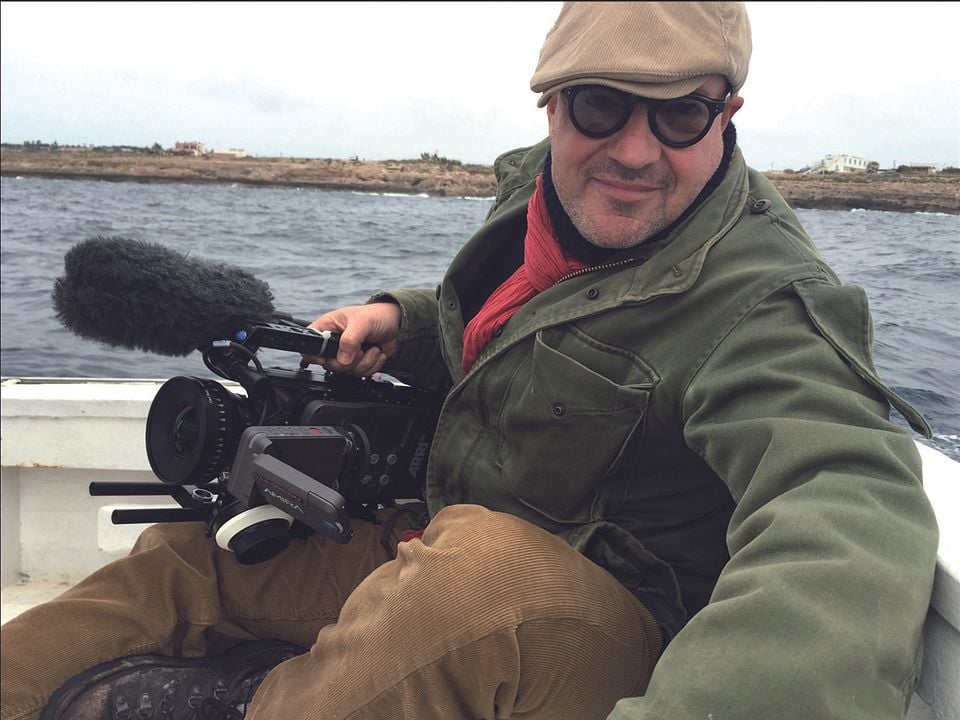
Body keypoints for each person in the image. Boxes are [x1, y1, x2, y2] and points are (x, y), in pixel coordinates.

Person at [1, 3, 939, 719]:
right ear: (554, 104)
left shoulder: (765, 299)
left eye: (680, 116)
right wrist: (402, 321)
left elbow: (843, 506)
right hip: (438, 537)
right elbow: (534, 326)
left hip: (609, 626)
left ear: (726, 113)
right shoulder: (542, 192)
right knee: (188, 562)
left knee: (479, 577)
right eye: (603, 107)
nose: (635, 151)